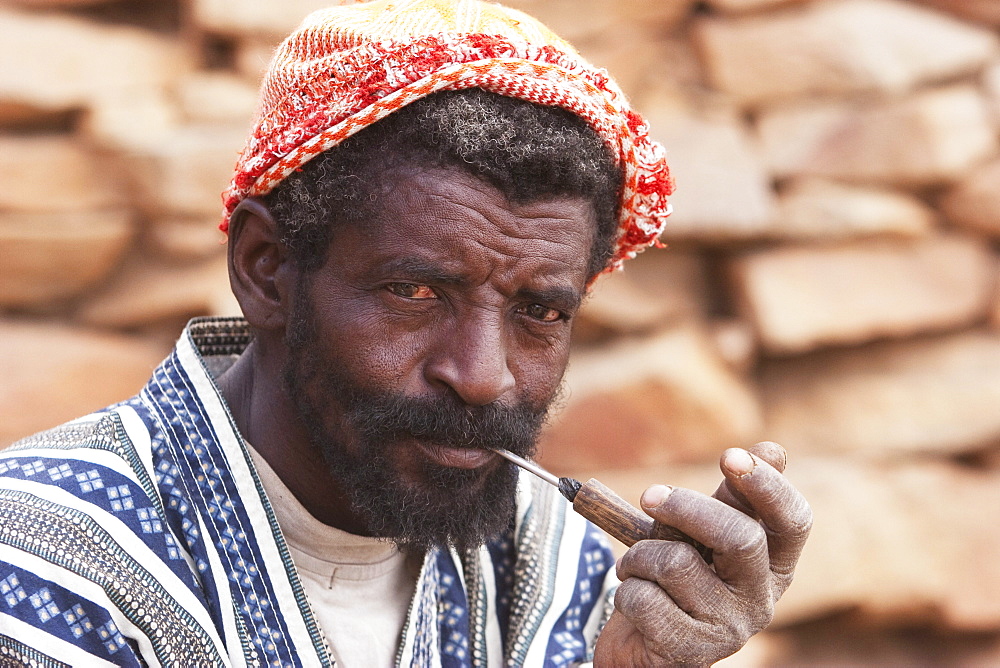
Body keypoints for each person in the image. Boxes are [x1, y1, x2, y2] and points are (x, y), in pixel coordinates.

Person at [0, 0, 812, 665]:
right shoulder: (44, 557)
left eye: (541, 312)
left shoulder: (561, 571)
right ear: (266, 267)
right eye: (414, 290)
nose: (484, 376)